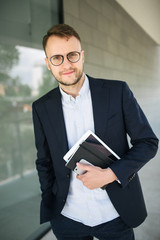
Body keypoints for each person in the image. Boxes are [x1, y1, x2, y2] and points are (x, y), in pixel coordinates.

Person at [32, 24, 158, 240]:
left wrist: (110, 174)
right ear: (48, 63)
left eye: (72, 55)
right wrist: (51, 201)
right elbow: (44, 161)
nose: (66, 64)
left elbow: (148, 142)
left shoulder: (117, 91)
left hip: (116, 214)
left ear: (82, 56)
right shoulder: (41, 107)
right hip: (67, 218)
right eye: (57, 58)